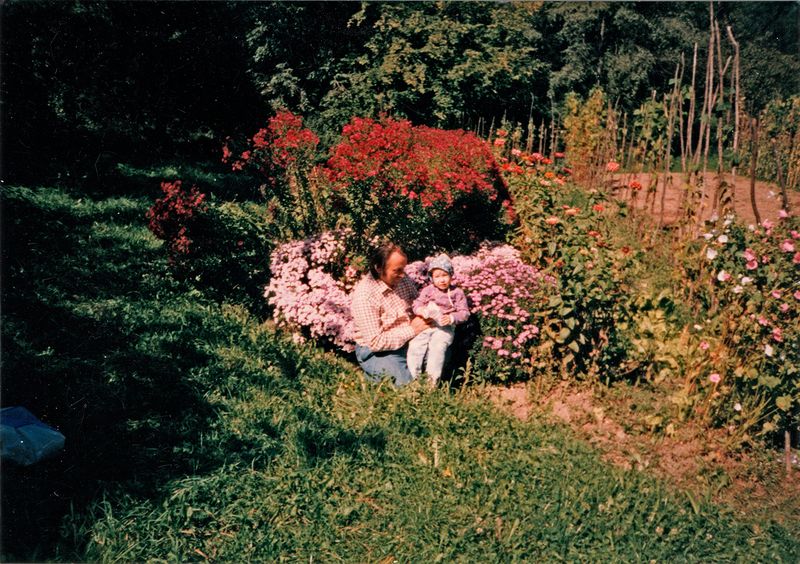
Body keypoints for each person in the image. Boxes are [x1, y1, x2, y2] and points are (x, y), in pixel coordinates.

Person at [350, 242, 431, 386]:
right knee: (408, 386)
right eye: (397, 270)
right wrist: (413, 330)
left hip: (408, 340)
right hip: (378, 351)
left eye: (403, 269)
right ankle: (378, 371)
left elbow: (417, 303)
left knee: (438, 360)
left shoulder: (402, 278)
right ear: (379, 268)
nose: (402, 275)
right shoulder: (365, 295)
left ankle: (384, 374)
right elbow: (376, 342)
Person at [407, 254, 470, 387]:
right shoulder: (428, 290)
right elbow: (417, 304)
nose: (441, 280)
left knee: (437, 348)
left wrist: (452, 318)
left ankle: (431, 384)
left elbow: (464, 313)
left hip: (445, 327)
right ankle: (414, 380)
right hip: (427, 324)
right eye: (437, 276)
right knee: (415, 346)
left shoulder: (457, 293)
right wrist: (421, 311)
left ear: (451, 275)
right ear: (431, 278)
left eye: (444, 275)